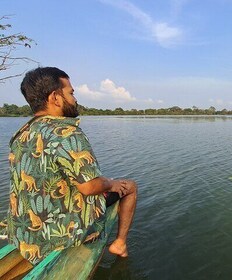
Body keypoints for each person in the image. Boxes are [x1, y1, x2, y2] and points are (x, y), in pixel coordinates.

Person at [1, 67, 137, 265]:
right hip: (59, 234)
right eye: (71, 93)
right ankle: (120, 244)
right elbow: (90, 187)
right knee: (130, 187)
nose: (74, 99)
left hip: (22, 229)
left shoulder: (20, 134)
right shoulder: (67, 132)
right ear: (55, 97)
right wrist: (110, 183)